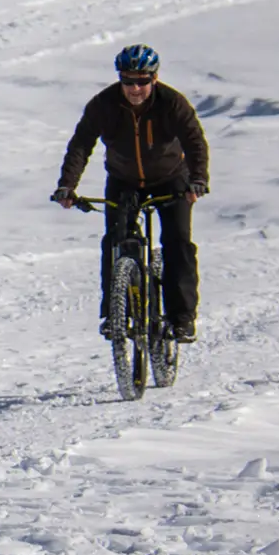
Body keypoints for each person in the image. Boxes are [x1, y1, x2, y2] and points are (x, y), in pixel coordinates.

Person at [52, 45, 210, 342]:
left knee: (177, 242)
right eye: (128, 81)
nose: (135, 88)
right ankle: (115, 315)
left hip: (171, 178)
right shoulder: (104, 104)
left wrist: (198, 180)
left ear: (155, 78)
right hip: (123, 181)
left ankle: (182, 318)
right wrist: (67, 185)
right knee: (115, 241)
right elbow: (81, 145)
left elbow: (195, 141)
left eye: (142, 80)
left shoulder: (172, 103)